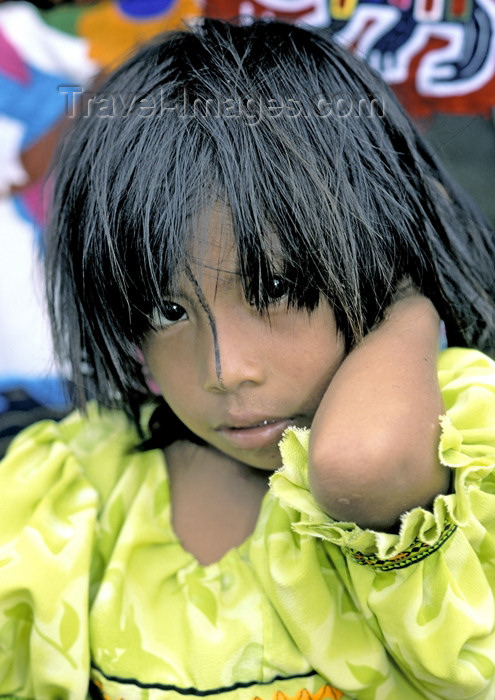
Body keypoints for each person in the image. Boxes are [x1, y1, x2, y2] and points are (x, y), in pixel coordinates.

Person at [1, 19, 495, 700]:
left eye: (274, 288)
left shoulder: (462, 429)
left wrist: (409, 301)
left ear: (378, 246)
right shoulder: (81, 486)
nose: (225, 368)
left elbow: (361, 467)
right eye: (165, 311)